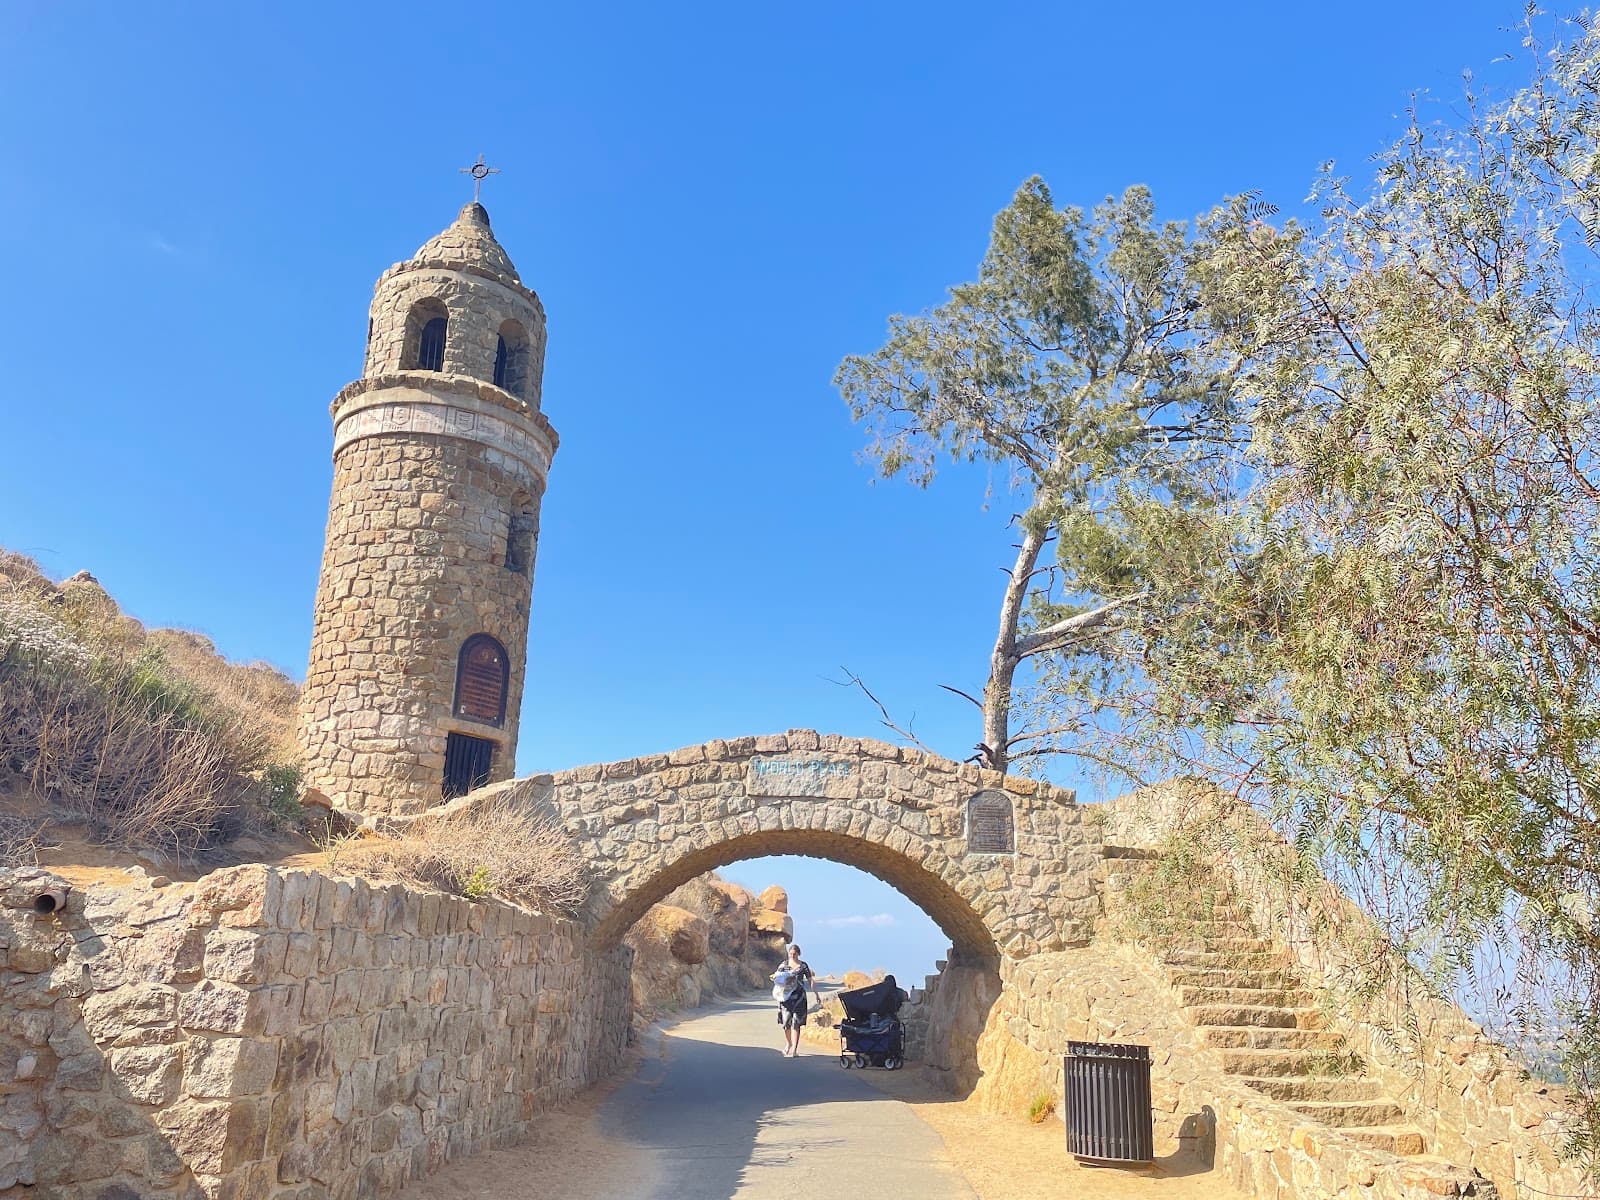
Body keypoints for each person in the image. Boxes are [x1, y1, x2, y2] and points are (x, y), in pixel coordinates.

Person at [773, 943, 818, 1058]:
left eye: (794, 954)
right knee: (786, 1023)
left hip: (799, 997)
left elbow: (810, 980)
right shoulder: (783, 965)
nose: (792, 956)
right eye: (790, 954)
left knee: (796, 1023)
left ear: (798, 954)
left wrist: (816, 994)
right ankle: (788, 1043)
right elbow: (777, 978)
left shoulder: (803, 966)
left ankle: (794, 1049)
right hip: (785, 997)